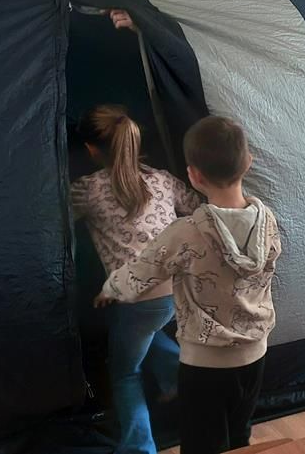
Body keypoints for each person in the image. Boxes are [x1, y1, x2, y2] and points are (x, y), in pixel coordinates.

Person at [95, 116, 280, 454]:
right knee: (239, 438)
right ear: (248, 162)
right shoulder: (268, 220)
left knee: (201, 445)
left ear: (194, 176)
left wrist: (110, 288)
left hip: (205, 365)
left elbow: (140, 273)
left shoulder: (185, 233)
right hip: (256, 354)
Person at [72, 104, 200, 454]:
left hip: (139, 297)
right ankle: (176, 376)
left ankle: (139, 448)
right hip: (179, 289)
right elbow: (196, 207)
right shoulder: (162, 179)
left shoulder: (87, 190)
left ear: (91, 150)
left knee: (125, 373)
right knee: (141, 328)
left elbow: (51, 219)